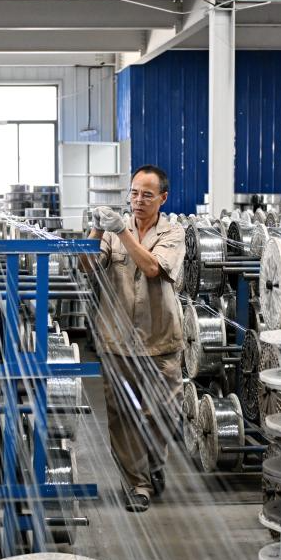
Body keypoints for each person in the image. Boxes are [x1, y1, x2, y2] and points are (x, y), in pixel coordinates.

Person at [82, 165, 186, 513]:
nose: (138, 200)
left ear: (163, 198)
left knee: (164, 414)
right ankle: (136, 483)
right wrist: (97, 229)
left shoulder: (173, 233)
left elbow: (153, 268)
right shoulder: (112, 233)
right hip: (117, 340)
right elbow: (86, 266)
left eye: (147, 195)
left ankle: (154, 463)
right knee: (123, 416)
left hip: (161, 339)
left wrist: (121, 232)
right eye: (134, 193)